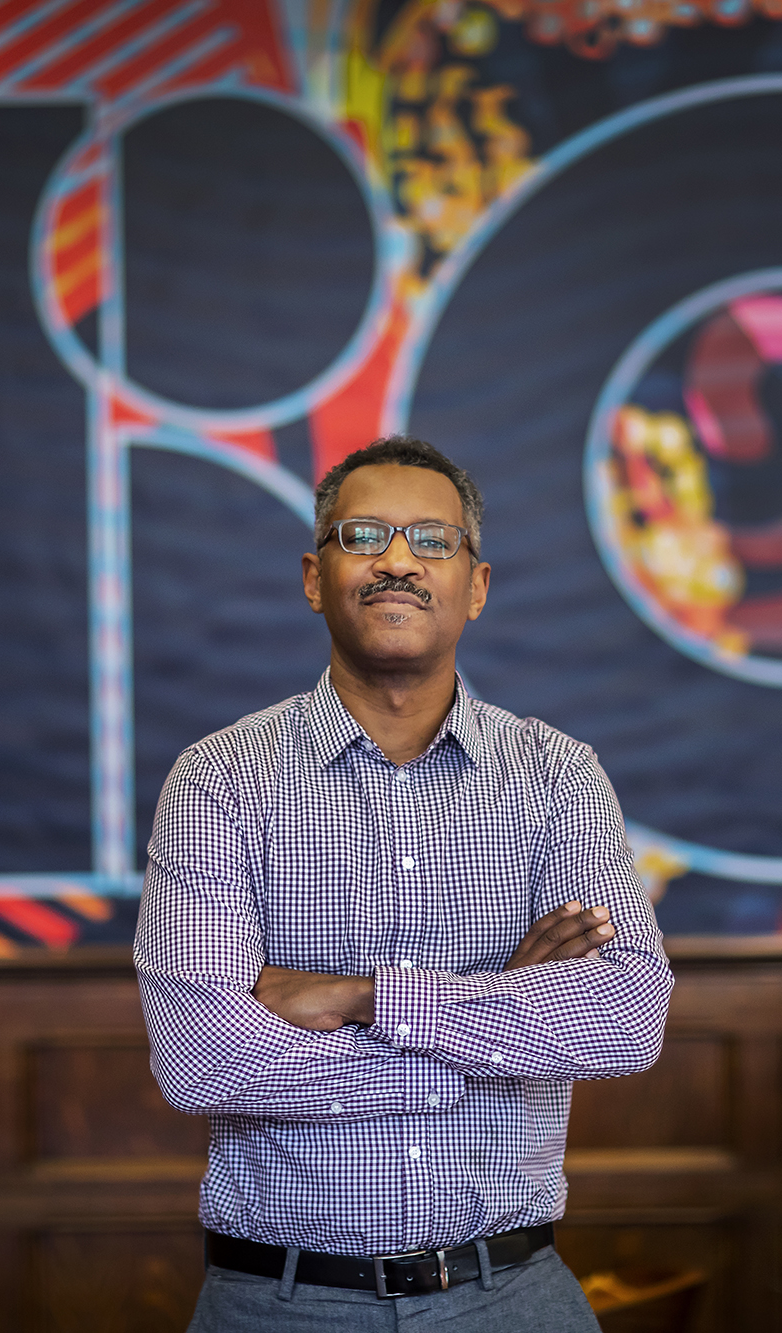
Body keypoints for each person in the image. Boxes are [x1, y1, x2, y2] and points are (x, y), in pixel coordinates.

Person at [134, 435, 674, 1330]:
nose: (396, 560)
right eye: (363, 536)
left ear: (478, 584)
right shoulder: (219, 780)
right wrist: (500, 1015)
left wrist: (363, 997)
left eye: (432, 540)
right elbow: (205, 1058)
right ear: (315, 578)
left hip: (514, 1296)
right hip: (282, 1302)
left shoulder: (559, 777)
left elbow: (625, 1019)